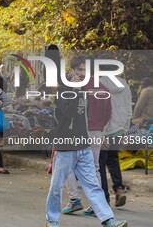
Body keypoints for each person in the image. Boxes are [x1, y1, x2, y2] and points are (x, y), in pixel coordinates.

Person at [45, 56, 127, 227]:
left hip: (83, 147)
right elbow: (68, 114)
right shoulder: (62, 91)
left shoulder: (83, 91)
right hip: (66, 147)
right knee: (56, 186)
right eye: (80, 70)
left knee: (93, 186)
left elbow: (86, 118)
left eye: (85, 71)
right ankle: (52, 220)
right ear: (72, 70)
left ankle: (107, 219)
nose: (83, 74)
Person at [61, 57, 112, 217]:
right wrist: (100, 129)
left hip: (80, 131)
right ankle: (96, 205)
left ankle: (74, 199)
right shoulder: (104, 87)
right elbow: (108, 113)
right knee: (94, 168)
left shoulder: (77, 86)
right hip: (97, 131)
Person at [99, 59, 132, 207]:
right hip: (119, 128)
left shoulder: (99, 84)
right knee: (113, 159)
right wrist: (124, 130)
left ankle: (104, 198)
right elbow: (128, 109)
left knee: (99, 165)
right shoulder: (124, 84)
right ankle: (118, 189)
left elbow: (101, 111)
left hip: (104, 130)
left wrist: (100, 133)